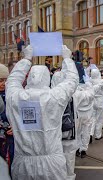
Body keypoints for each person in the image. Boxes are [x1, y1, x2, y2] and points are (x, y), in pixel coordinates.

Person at [6, 45, 79, 180]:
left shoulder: (14, 97)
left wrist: (26, 60)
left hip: (22, 164)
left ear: (28, 79)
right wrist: (67, 59)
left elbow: (12, 81)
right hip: (52, 165)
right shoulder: (54, 97)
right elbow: (72, 80)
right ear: (47, 78)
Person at [0, 63, 14, 176]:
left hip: (11, 139)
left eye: (6, 80)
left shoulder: (13, 95)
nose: (4, 84)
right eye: (0, 80)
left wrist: (16, 127)